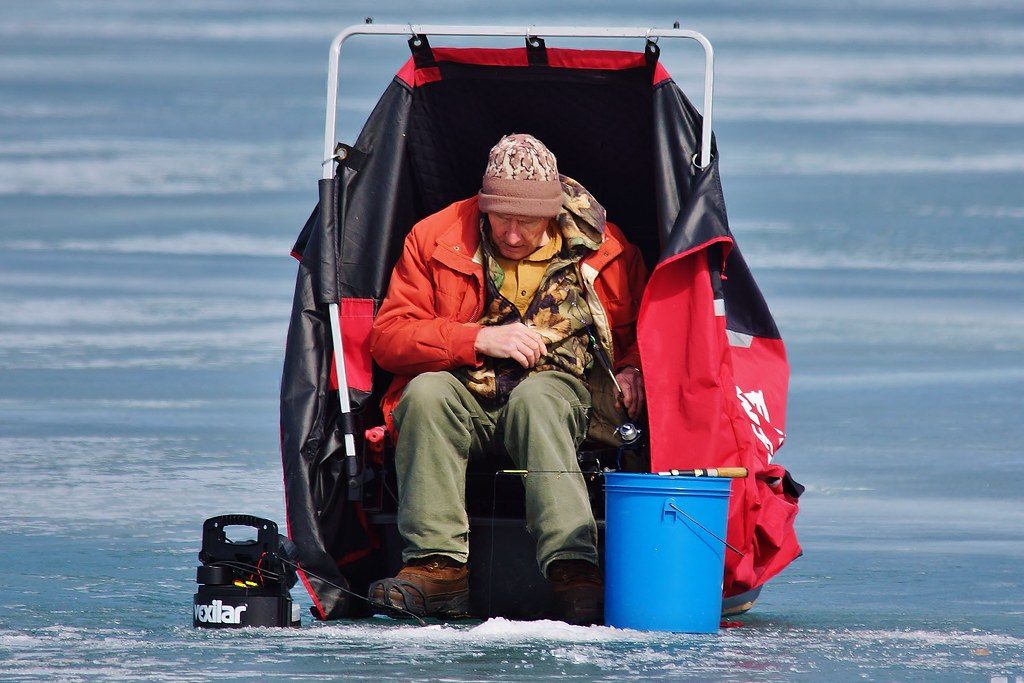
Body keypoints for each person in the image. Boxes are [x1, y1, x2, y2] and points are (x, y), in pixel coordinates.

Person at [367, 133, 648, 624]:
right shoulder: (434, 237)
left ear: (555, 213)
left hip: (562, 393)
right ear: (483, 206)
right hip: (466, 392)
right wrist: (473, 339)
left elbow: (649, 331)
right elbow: (388, 338)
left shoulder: (607, 251)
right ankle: (437, 570)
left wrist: (634, 368)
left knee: (538, 398)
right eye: (502, 219)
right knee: (425, 394)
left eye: (528, 222)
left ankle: (574, 571)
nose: (513, 235)